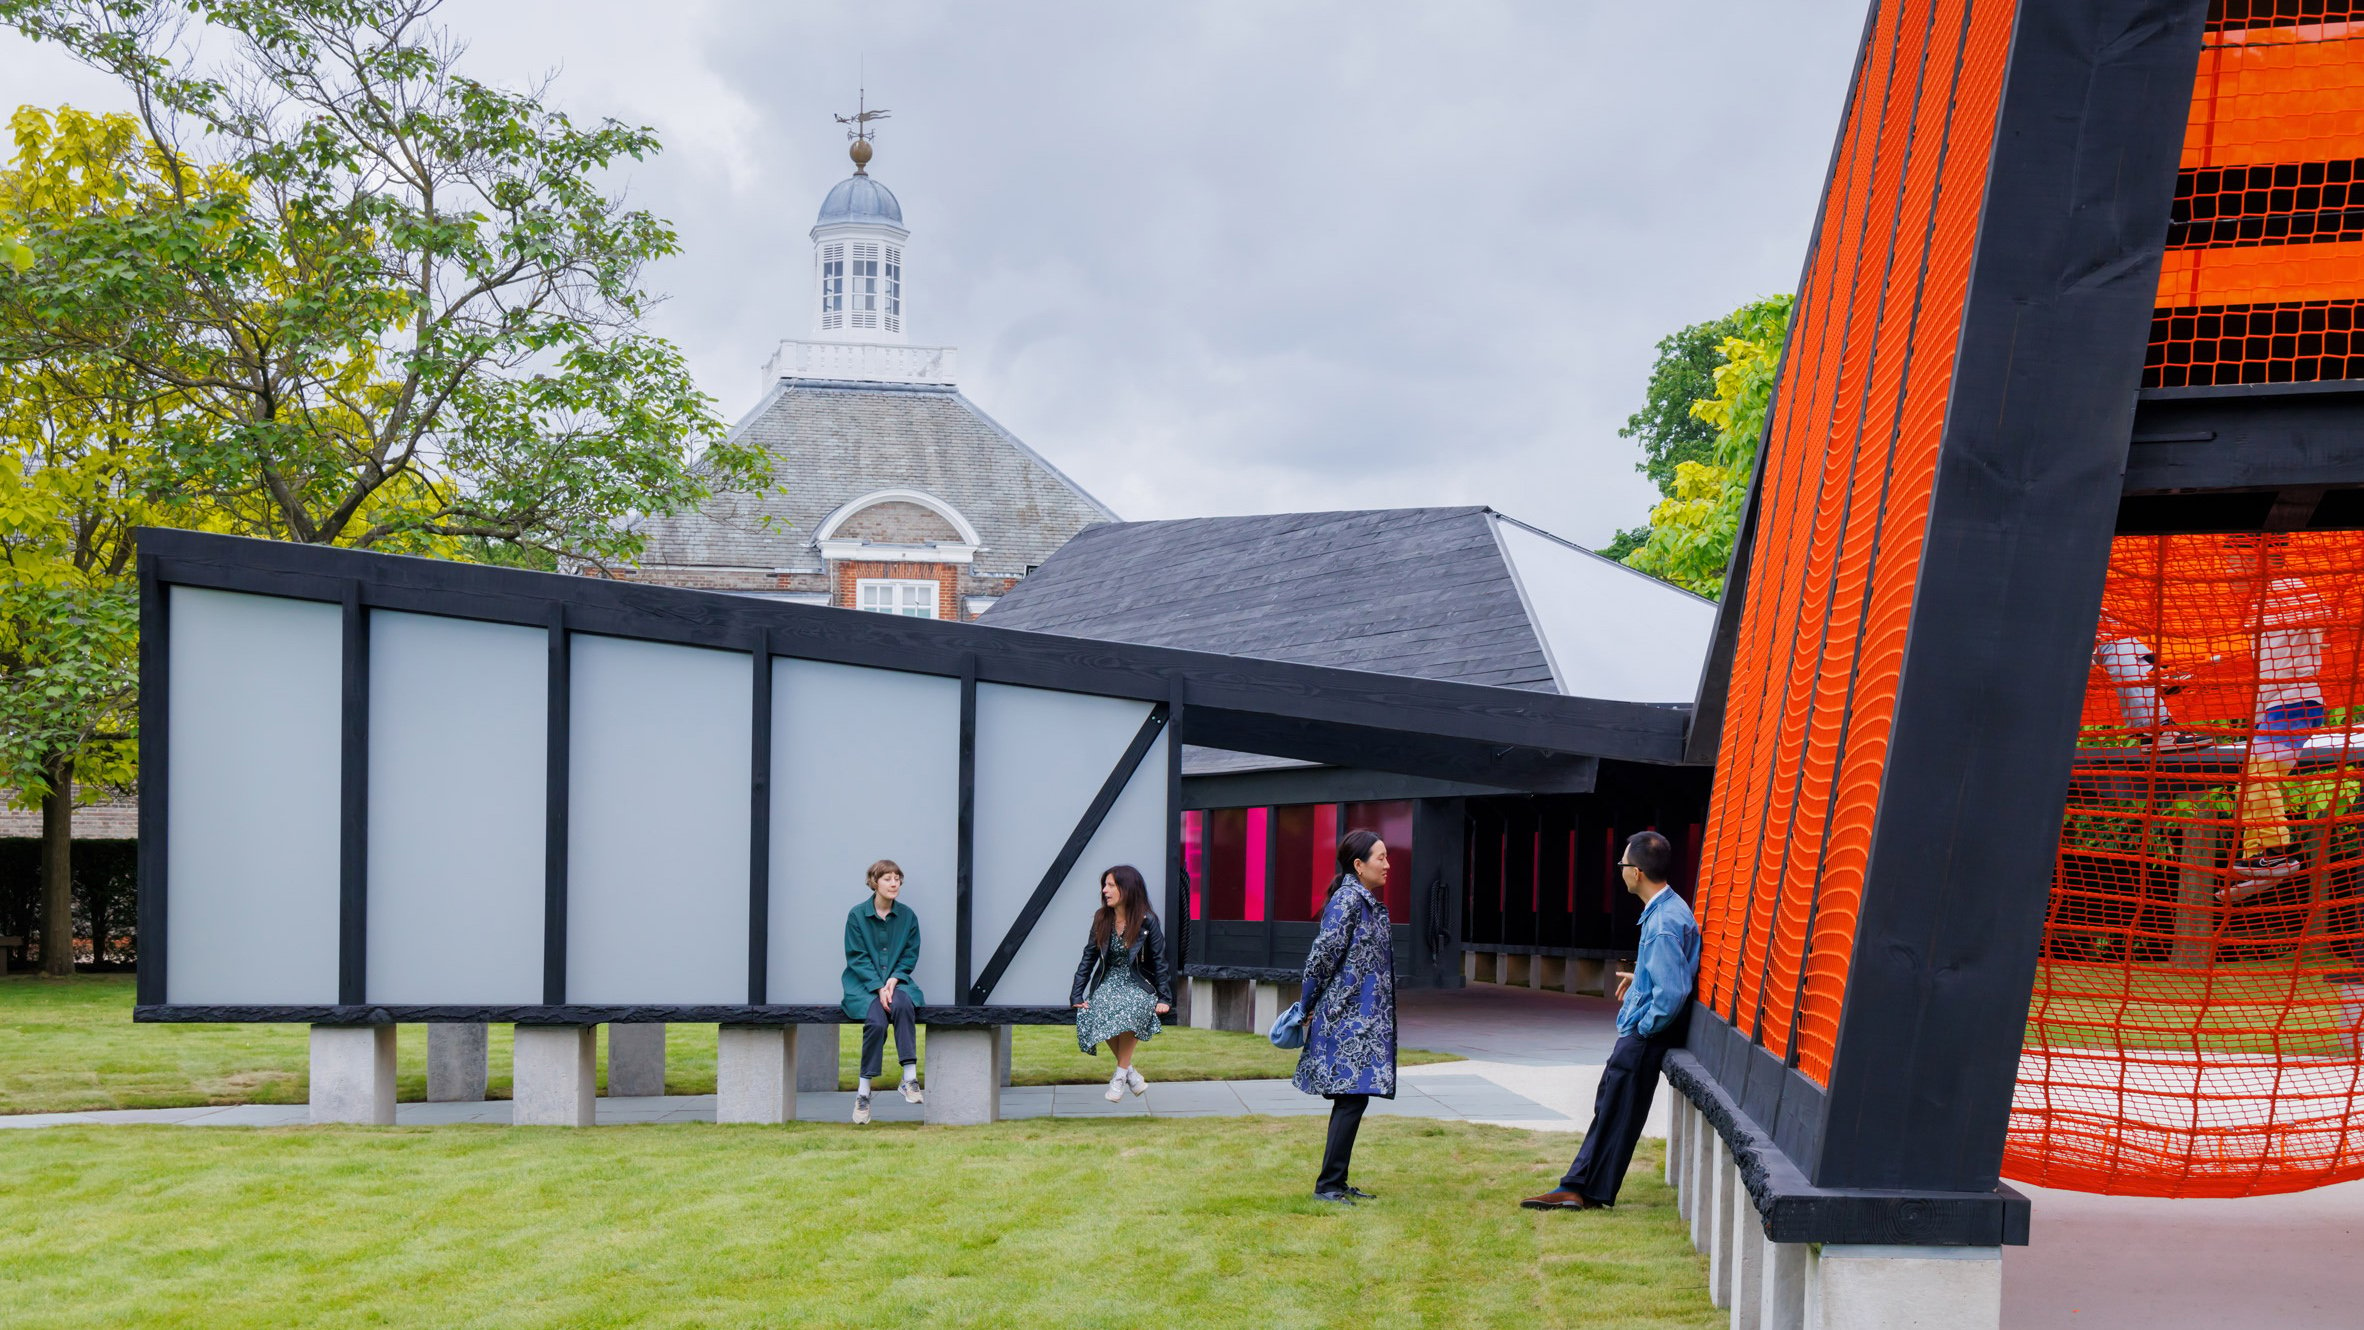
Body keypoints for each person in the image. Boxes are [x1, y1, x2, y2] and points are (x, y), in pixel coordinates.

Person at [1522, 829, 1700, 1211]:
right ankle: (1585, 1189)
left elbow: (1672, 993)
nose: (1619, 870)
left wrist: (1644, 1026)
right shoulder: (1668, 911)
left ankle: (1577, 1188)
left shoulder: (1663, 922)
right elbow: (1671, 975)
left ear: (1635, 872)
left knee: (1614, 1107)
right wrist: (1642, 980)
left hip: (1647, 1036)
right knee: (1615, 1109)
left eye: (1622, 863)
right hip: (1647, 1034)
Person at [2221, 535, 2330, 892]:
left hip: (2295, 702)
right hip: (2276, 706)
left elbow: (2325, 615)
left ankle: (2278, 853)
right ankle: (2259, 857)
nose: (2227, 570)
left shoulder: (2286, 587)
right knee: (2253, 781)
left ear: (2259, 555)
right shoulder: (2258, 602)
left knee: (2261, 774)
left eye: (2232, 559)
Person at [1294, 829, 1397, 1206]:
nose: (1388, 864)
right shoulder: (1347, 902)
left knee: (1354, 1099)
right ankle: (1328, 1186)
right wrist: (1304, 1006)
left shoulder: (1366, 902)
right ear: (1359, 864)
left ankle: (1336, 1181)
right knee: (1351, 1098)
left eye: (1387, 857)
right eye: (1380, 857)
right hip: (1346, 1020)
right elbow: (1320, 958)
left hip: (1362, 1020)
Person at [1069, 864, 1175, 1101]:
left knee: (1131, 1007)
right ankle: (1130, 1074)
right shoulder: (1102, 919)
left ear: (1127, 889)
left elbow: (1160, 961)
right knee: (1095, 1009)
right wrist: (1077, 995)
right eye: (1104, 885)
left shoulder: (1148, 921)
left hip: (1138, 982)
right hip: (1108, 981)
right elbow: (1088, 957)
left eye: (1111, 885)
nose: (1105, 890)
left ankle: (1119, 1076)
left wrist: (1165, 998)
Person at [842, 858, 924, 1124]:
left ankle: (909, 1078)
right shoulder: (857, 915)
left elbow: (910, 953)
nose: (894, 883)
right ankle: (863, 1093)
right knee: (876, 1023)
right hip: (864, 987)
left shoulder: (908, 916)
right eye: (888, 878)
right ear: (874, 882)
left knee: (903, 1005)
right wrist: (878, 986)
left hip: (897, 984)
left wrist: (895, 979)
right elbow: (856, 956)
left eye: (897, 878)